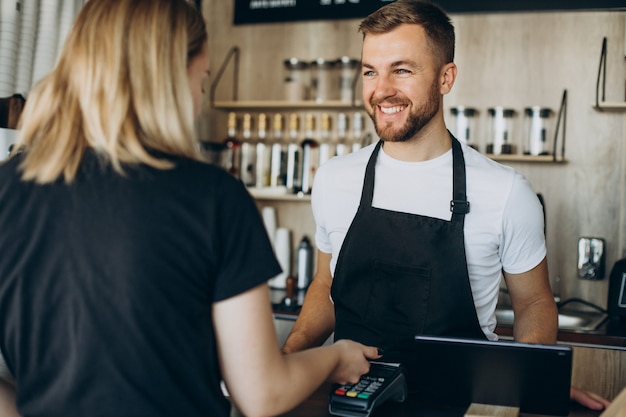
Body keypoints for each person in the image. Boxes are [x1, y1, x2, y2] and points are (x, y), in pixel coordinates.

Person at [0, 1, 381, 416]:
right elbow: (261, 394)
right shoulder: (212, 198)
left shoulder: (7, 190)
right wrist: (336, 358)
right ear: (169, 79)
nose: (199, 101)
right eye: (201, 82)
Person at [281, 0, 612, 411]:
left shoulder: (505, 191)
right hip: (351, 404)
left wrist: (532, 382)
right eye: (370, 71)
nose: (381, 89)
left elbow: (533, 303)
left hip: (461, 408)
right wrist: (288, 358)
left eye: (401, 69)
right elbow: (325, 286)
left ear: (445, 77)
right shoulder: (334, 179)